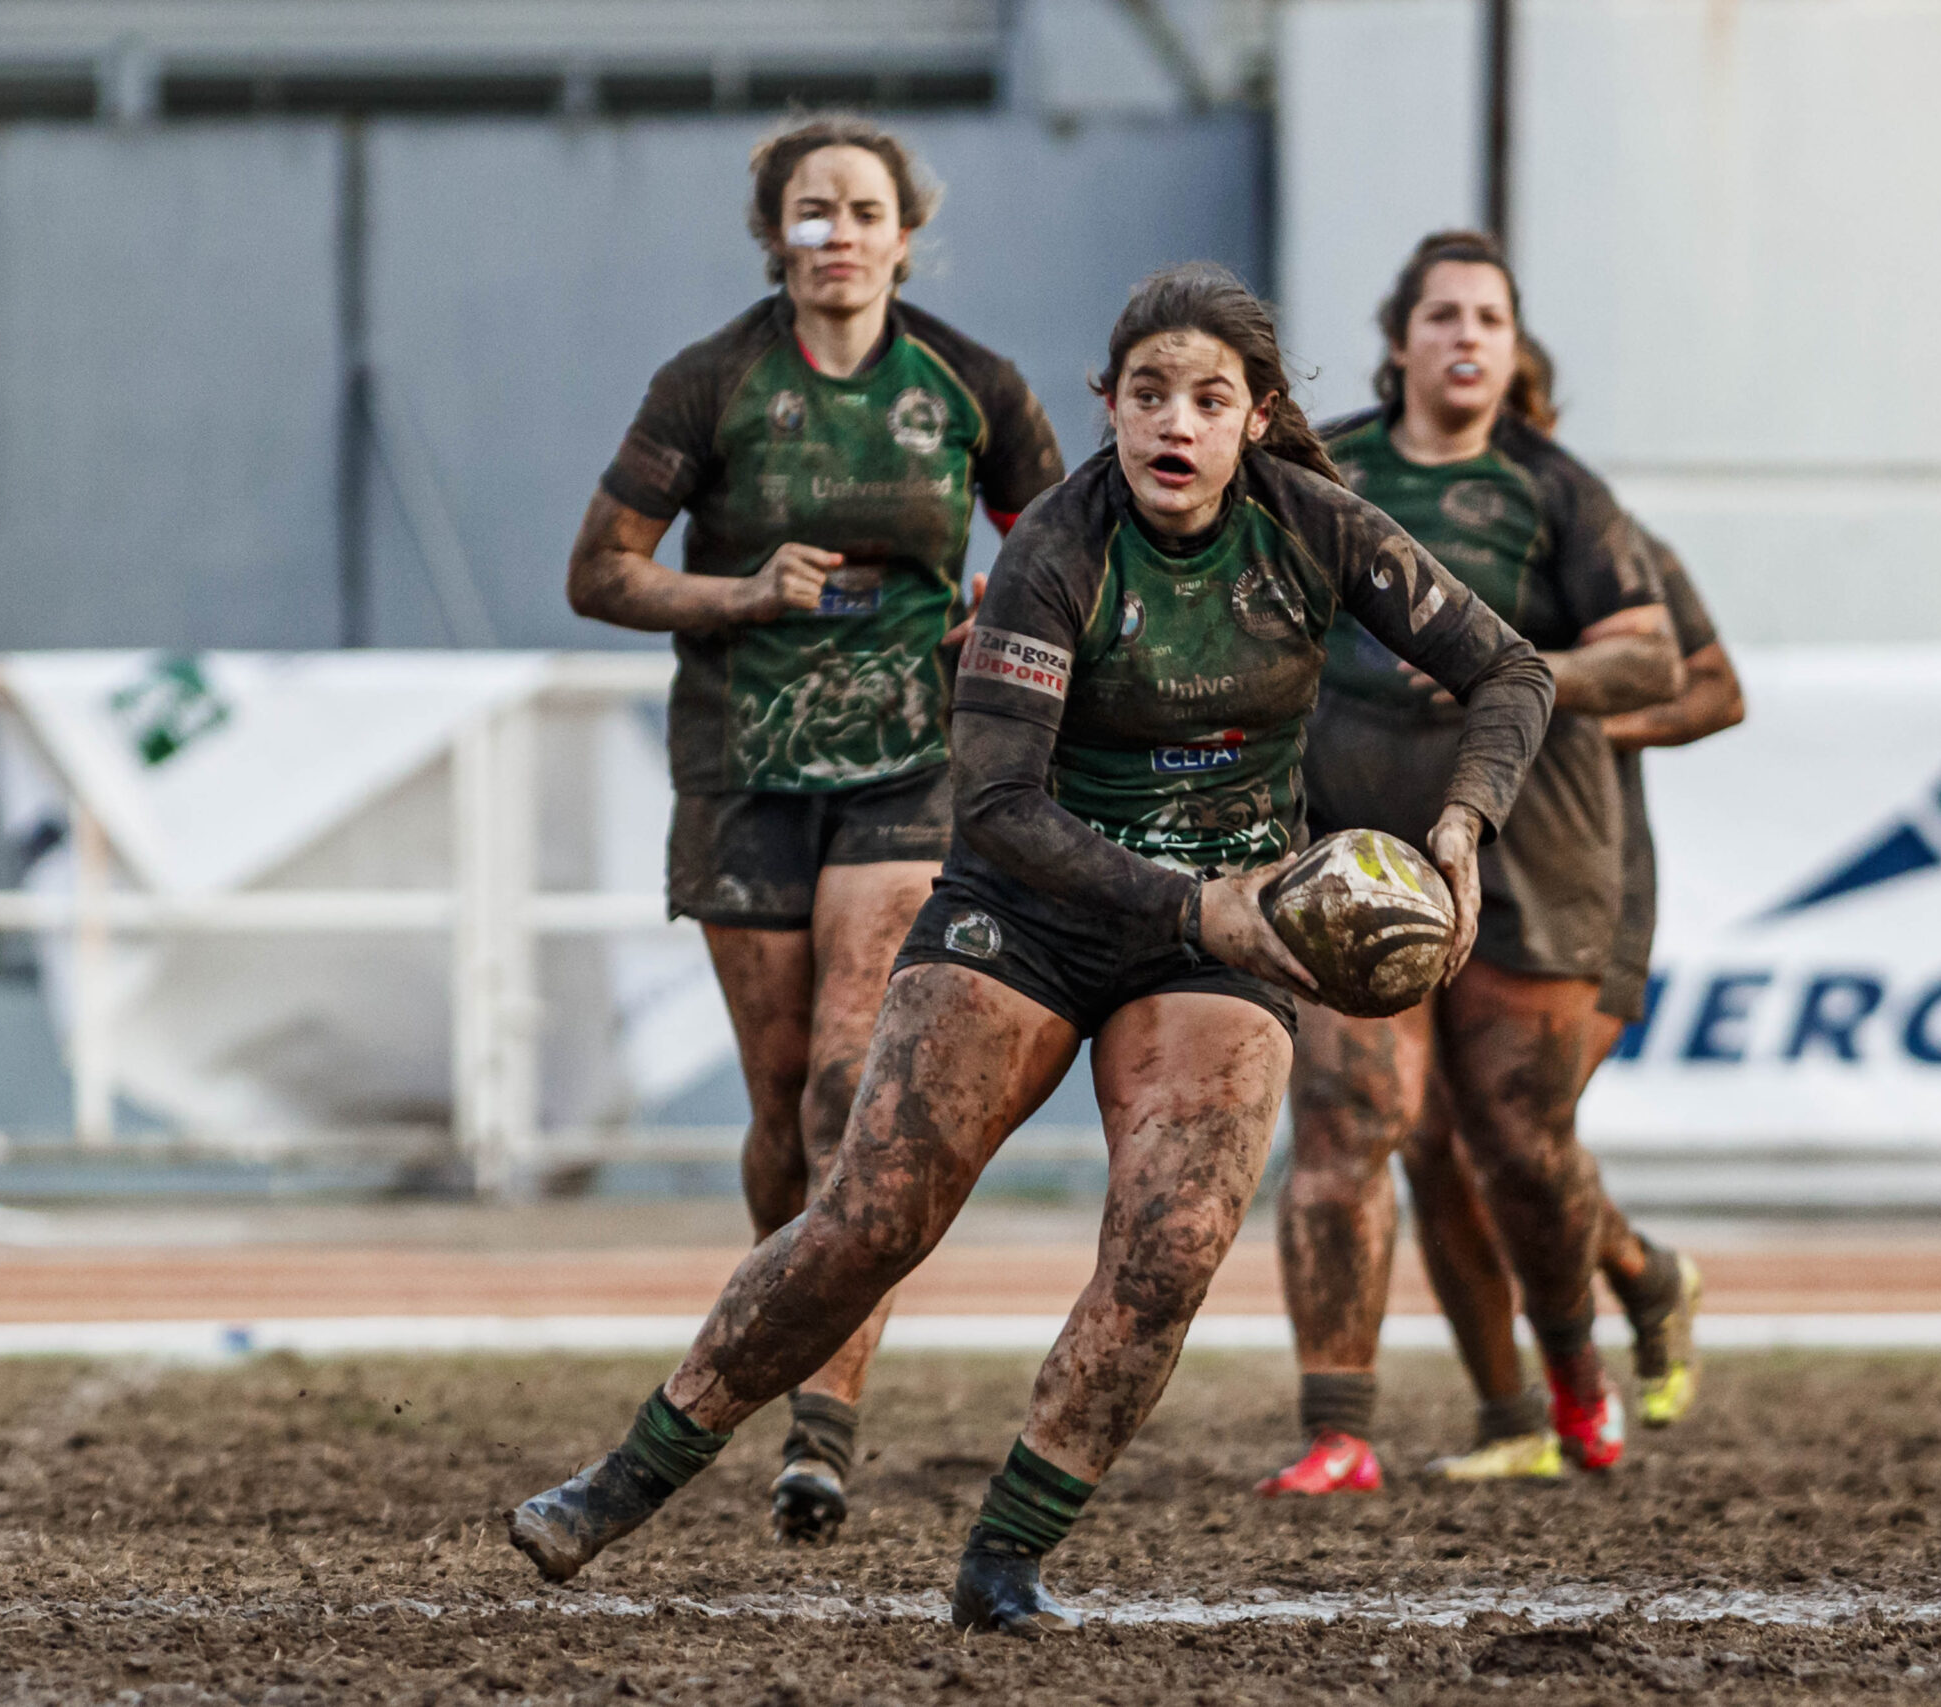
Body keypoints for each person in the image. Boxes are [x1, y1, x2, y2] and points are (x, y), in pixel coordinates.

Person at [508, 263, 1557, 1634]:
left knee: (1171, 1243)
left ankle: (1005, 1559)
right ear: (1107, 406)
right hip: (1035, 906)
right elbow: (999, 805)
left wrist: (1464, 826)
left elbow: (1514, 671)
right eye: (1148, 394)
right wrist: (1204, 909)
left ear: (1257, 417)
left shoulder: (1313, 524)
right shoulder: (1061, 550)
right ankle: (623, 1476)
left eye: (1210, 398)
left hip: (1221, 925)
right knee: (872, 1213)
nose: (1175, 423)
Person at [563, 116, 1063, 1543]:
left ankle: (823, 1424)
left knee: (856, 1080)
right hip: (743, 769)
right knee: (783, 1101)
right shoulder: (712, 381)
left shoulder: (973, 385)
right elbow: (599, 571)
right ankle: (789, 1328)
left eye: (863, 209)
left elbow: (1055, 546)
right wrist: (737, 594)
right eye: (809, 211)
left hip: (910, 768)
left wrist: (1002, 605)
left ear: (906, 234)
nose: (838, 232)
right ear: (773, 235)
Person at [1262, 231, 1686, 1497]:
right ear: (1399, 343)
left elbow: (1662, 661)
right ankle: (1338, 1428)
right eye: (1440, 316)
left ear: (1513, 347)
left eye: (1488, 319)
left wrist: (1501, 663)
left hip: (1526, 846)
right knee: (1346, 1120)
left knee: (1516, 1142)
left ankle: (1572, 1386)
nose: (1464, 338)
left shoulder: (1556, 491)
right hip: (1349, 849)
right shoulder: (1319, 476)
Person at [1402, 519, 1745, 1480]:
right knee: (1429, 1142)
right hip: (1437, 867)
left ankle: (1639, 1273)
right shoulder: (1370, 512)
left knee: (1502, 1137)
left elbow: (1716, 689)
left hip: (1577, 881)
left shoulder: (1590, 530)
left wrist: (1545, 723)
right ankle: (1511, 1419)